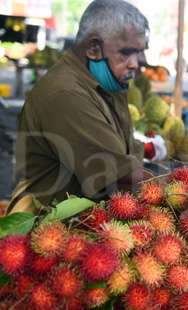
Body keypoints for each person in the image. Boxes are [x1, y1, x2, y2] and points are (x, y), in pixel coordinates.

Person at [9, 0, 166, 214]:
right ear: (93, 49)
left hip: (92, 220)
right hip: (51, 226)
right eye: (127, 52)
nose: (137, 63)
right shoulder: (65, 95)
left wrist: (145, 149)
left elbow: (118, 144)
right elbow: (121, 176)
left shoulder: (108, 83)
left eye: (140, 52)